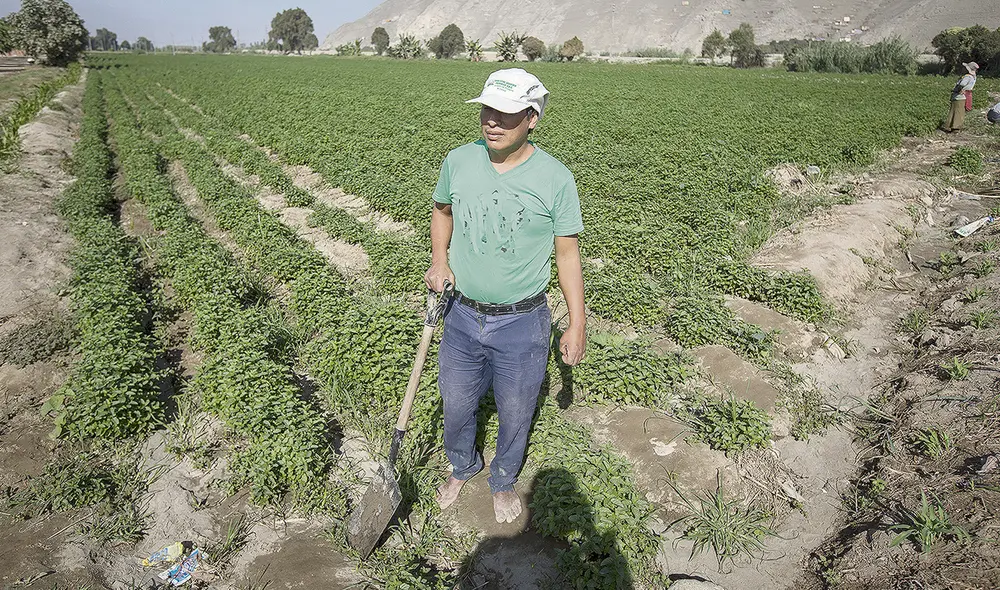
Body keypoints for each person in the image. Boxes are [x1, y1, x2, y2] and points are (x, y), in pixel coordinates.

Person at [424, 68, 587, 524]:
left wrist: (577, 322)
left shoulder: (555, 179)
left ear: (532, 118)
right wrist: (439, 260)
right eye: (486, 111)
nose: (492, 121)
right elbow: (441, 211)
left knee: (515, 410)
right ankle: (462, 465)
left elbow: (568, 255)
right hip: (460, 313)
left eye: (507, 114)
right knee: (456, 402)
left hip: (522, 321)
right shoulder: (459, 160)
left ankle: (502, 478)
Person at [943, 62, 978, 132]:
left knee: (956, 112)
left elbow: (962, 84)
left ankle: (954, 128)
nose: (963, 69)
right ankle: (954, 127)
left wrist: (958, 89)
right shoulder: (973, 77)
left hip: (959, 96)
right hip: (965, 96)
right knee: (959, 112)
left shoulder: (967, 77)